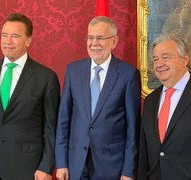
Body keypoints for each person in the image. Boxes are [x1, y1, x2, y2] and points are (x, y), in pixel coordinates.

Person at [0, 13, 60, 180]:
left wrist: (46, 166)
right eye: (4, 35)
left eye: (15, 36)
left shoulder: (46, 77)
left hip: (27, 167)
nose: (8, 41)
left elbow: (51, 127)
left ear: (28, 41)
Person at [55, 16, 141, 180]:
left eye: (100, 38)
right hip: (76, 164)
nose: (94, 43)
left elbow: (133, 128)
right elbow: (63, 119)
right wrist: (61, 162)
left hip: (112, 166)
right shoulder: (73, 71)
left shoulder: (128, 74)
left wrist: (128, 171)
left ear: (114, 41)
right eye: (90, 37)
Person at [138, 35, 191, 180]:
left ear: (185, 60)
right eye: (155, 59)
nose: (159, 64)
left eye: (165, 57)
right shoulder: (150, 101)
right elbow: (144, 153)